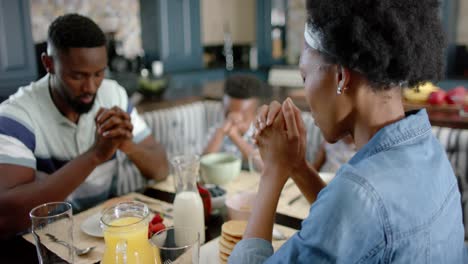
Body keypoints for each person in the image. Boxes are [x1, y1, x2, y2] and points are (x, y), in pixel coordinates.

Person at [230, 0, 466, 263]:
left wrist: (272, 172)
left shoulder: (358, 197)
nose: (306, 95)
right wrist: (297, 166)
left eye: (305, 76)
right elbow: (360, 231)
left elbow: (357, 209)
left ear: (341, 77)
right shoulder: (429, 153)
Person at [0, 14, 168, 238]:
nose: (90, 87)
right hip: (46, 241)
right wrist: (95, 155)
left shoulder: (113, 94)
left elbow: (161, 169)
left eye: (99, 73)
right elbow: (8, 216)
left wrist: (126, 145)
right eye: (77, 76)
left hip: (106, 233)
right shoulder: (16, 116)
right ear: (48, 64)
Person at [203, 74, 261, 166]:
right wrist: (220, 133)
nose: (233, 119)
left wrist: (235, 137)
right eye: (228, 114)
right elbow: (203, 163)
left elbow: (261, 165)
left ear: (255, 114)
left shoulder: (261, 134)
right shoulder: (218, 130)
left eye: (242, 116)